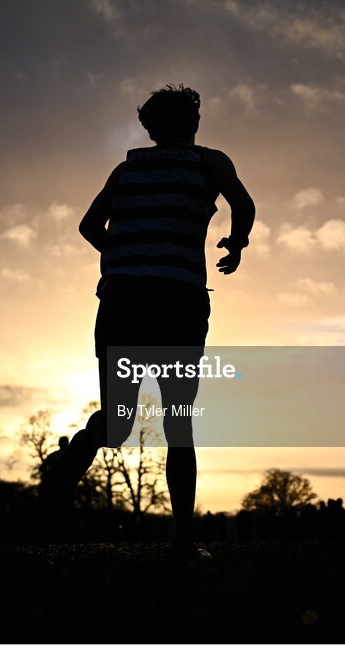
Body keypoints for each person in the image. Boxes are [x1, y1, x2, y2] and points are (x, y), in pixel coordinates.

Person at [52, 84, 256, 558]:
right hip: (177, 300)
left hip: (121, 299)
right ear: (195, 123)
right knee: (178, 422)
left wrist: (124, 256)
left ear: (149, 128)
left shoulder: (126, 168)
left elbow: (87, 226)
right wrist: (237, 242)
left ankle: (73, 457)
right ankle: (182, 541)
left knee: (119, 422)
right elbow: (242, 205)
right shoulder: (209, 161)